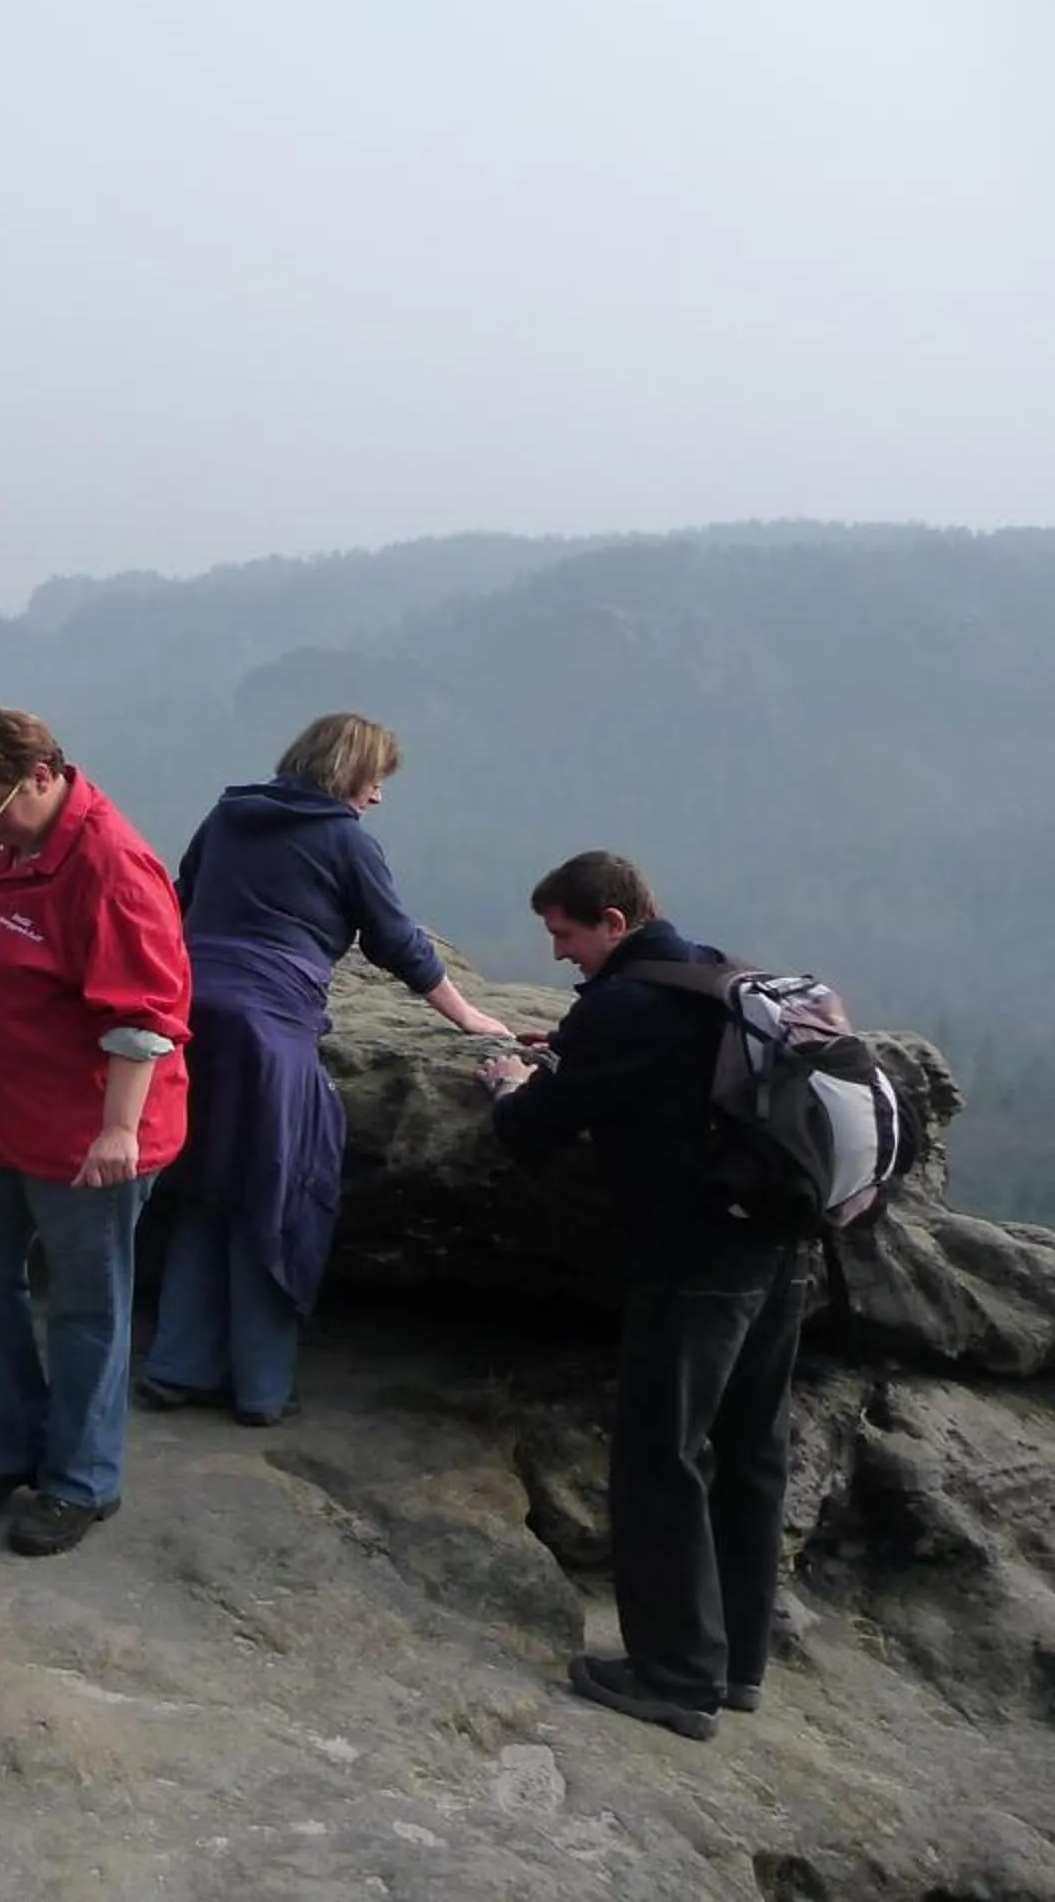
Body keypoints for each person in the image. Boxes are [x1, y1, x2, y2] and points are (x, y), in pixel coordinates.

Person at [477, 850, 808, 1742]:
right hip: (783, 1248)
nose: (558, 954)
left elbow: (533, 1129)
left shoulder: (623, 1005)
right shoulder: (711, 974)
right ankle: (737, 1664)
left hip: (695, 1258)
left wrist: (514, 1081)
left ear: (613, 924)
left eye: (565, 933)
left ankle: (674, 1675)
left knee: (661, 1458)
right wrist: (576, 1050)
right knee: (750, 1453)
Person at [139, 714, 511, 1426]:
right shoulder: (345, 842)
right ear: (348, 775)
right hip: (268, 1031)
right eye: (376, 782)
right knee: (273, 1193)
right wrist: (468, 1016)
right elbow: (398, 941)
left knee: (201, 1187)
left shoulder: (228, 814)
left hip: (190, 1018)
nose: (378, 798)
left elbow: (177, 903)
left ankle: (176, 1369)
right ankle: (260, 1388)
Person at [0, 706, 193, 1558]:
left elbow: (146, 1015)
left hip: (86, 1134)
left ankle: (79, 1480)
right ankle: (3, 1451)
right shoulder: (12, 840)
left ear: (43, 775)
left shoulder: (112, 867)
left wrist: (118, 1131)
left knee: (86, 1307)